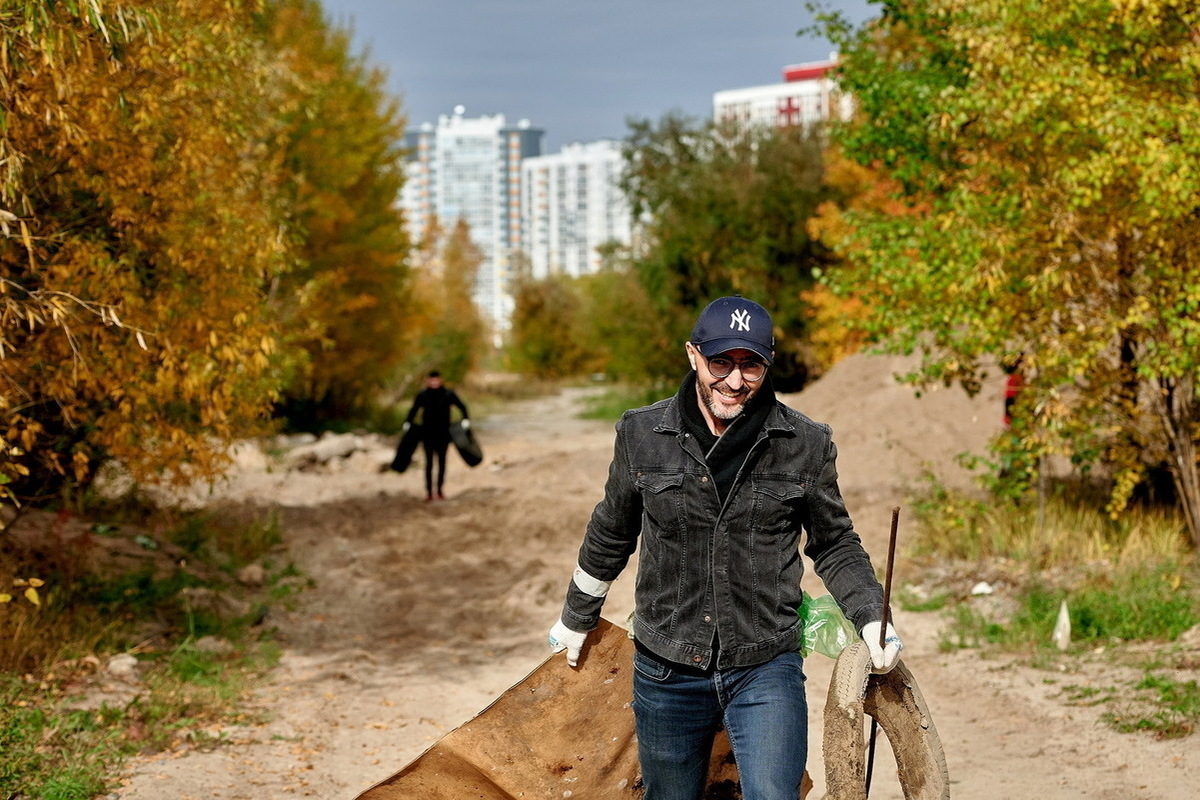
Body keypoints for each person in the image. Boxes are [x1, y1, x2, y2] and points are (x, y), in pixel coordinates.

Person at [547, 296, 903, 800]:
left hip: (765, 665)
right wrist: (576, 616)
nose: (735, 382)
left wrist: (871, 615)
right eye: (721, 363)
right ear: (693, 355)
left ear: (768, 363)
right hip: (666, 666)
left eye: (750, 364)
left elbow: (835, 542)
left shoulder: (805, 443)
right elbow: (612, 531)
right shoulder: (642, 435)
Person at [404, 370, 469, 501]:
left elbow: (462, 406)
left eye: (436, 379)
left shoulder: (448, 394)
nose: (434, 382)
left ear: (440, 380)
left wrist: (466, 419)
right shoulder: (423, 395)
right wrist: (408, 422)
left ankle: (439, 490)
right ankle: (429, 492)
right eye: (431, 380)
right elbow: (414, 409)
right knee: (428, 464)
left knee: (442, 463)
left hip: (443, 434)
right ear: (428, 381)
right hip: (427, 434)